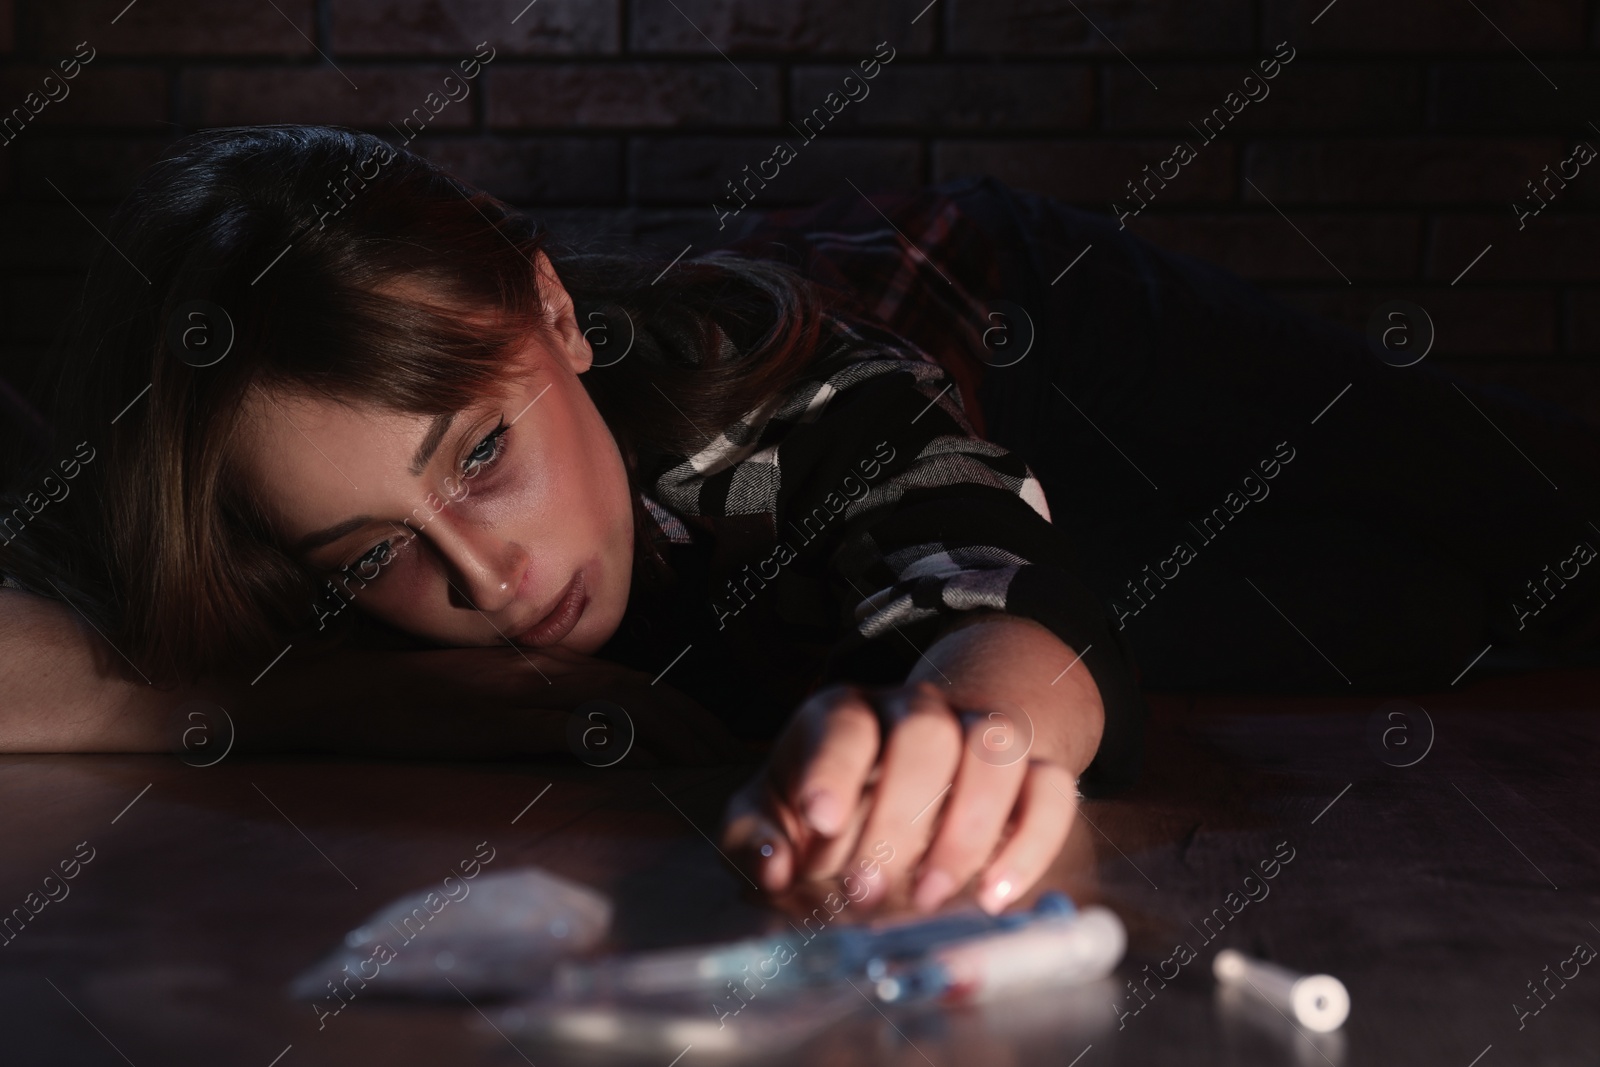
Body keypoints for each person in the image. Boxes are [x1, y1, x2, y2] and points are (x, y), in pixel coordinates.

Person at [2, 126, 1597, 917]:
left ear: (553, 310)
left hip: (1026, 322)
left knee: (1537, 503)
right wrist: (327, 687)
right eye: (371, 554)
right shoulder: (262, 557)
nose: (488, 582)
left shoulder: (788, 409)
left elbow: (978, 592)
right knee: (1430, 620)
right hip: (1074, 546)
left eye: (483, 452)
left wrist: (967, 751)